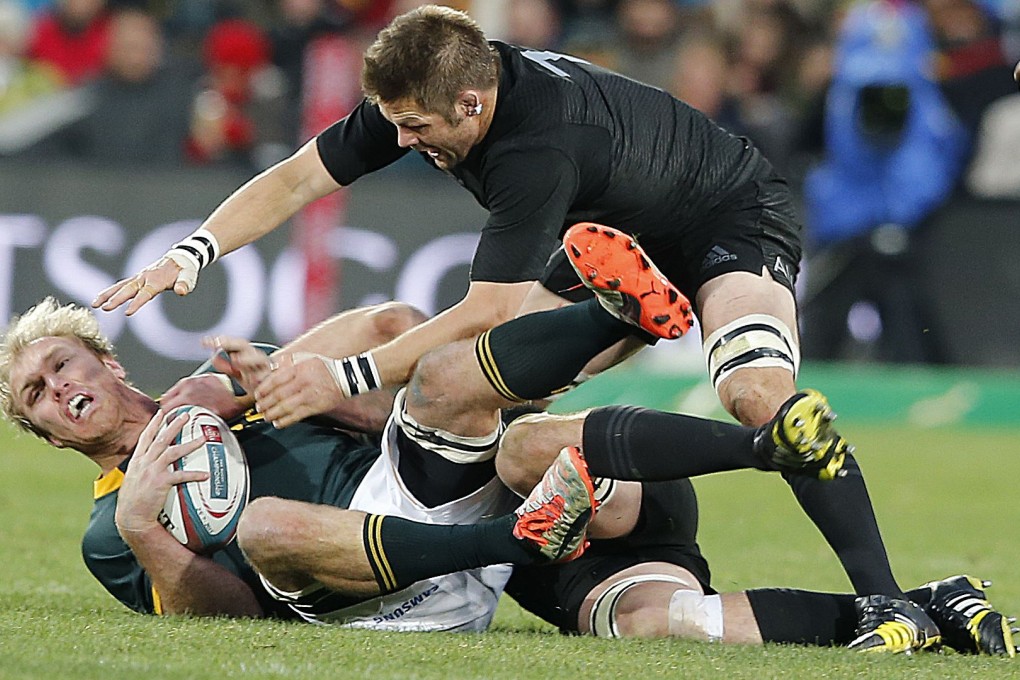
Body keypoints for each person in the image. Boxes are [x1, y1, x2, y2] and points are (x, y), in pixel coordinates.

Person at [88, 4, 950, 650]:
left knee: (757, 392)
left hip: (728, 219)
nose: (405, 141)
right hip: (615, 239)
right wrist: (193, 253)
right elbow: (294, 180)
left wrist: (346, 377)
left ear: (471, 101)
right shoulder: (435, 88)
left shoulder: (534, 148)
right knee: (484, 398)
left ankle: (890, 600)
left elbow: (492, 305)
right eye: (394, 124)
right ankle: (617, 317)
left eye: (419, 129)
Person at [1, 299, 1015, 654]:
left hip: (531, 499)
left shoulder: (220, 382)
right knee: (266, 523)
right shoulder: (108, 533)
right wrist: (151, 538)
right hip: (388, 586)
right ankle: (920, 607)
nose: (60, 388)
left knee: (488, 416)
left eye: (63, 363)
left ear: (106, 359)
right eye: (39, 394)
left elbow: (390, 349)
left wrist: (287, 386)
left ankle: (629, 334)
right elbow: (239, 620)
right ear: (45, 432)